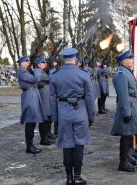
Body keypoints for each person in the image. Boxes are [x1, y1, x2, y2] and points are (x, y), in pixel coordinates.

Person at [49, 48, 96, 185]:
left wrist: (55, 118)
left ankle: (69, 177)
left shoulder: (56, 75)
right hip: (80, 112)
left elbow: (51, 98)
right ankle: (77, 176)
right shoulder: (83, 74)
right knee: (79, 144)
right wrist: (91, 116)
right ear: (75, 59)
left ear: (63, 59)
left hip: (63, 113)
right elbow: (89, 96)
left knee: (66, 145)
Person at [111, 50, 137, 172]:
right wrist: (126, 112)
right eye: (130, 59)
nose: (133, 61)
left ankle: (127, 157)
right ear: (124, 61)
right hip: (127, 106)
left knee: (129, 134)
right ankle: (123, 163)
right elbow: (123, 94)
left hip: (131, 104)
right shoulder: (121, 73)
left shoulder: (126, 71)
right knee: (125, 135)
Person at [17, 55, 44, 154]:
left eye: (29, 60)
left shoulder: (27, 71)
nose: (28, 62)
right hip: (29, 97)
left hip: (32, 96)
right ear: (22, 63)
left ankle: (31, 145)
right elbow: (35, 79)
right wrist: (37, 69)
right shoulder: (22, 72)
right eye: (26, 61)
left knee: (32, 122)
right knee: (30, 122)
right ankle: (29, 146)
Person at [35, 57, 55, 146]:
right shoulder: (38, 71)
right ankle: (43, 138)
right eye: (43, 63)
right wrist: (51, 71)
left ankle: (46, 136)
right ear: (38, 64)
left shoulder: (42, 71)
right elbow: (46, 79)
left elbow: (49, 79)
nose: (45, 64)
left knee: (47, 118)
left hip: (46, 97)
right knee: (44, 119)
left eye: (45, 63)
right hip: (42, 97)